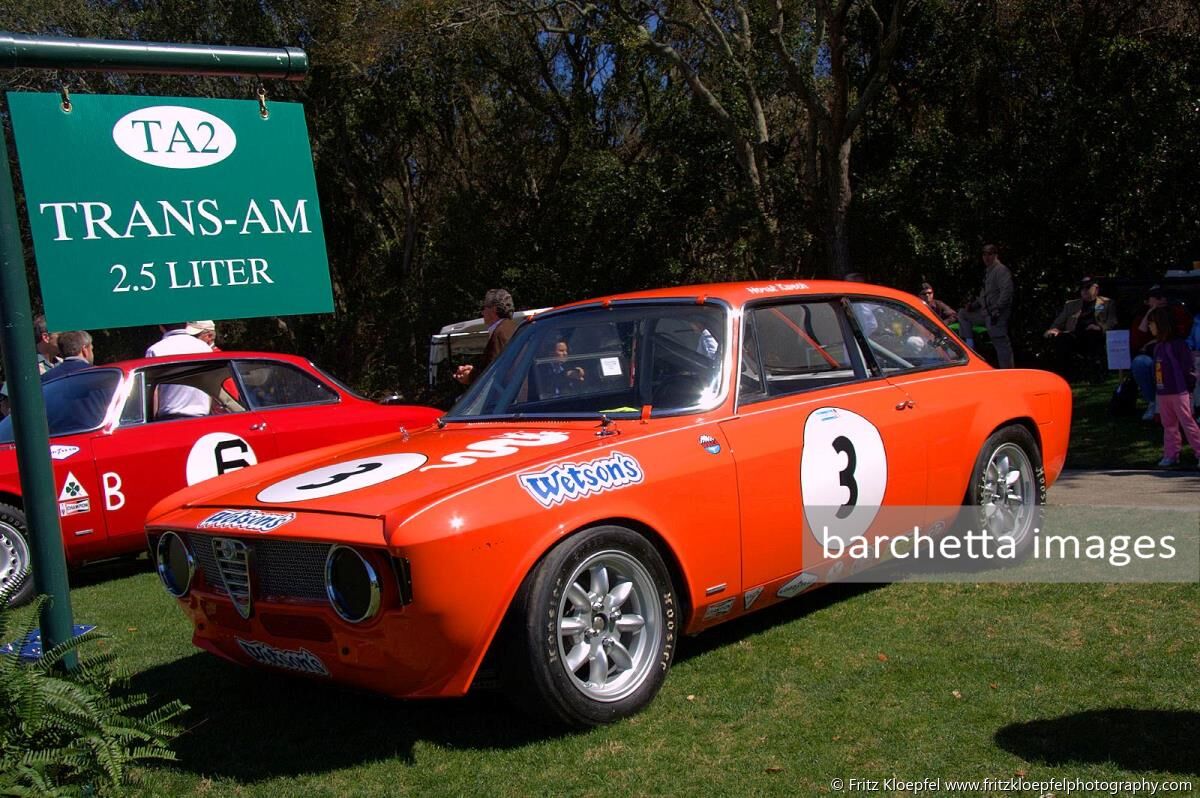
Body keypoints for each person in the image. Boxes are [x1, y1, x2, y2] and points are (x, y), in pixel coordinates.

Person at [1147, 306, 1200, 467]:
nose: (1150, 327)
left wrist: (1189, 387)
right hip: (1163, 392)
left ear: (1161, 324)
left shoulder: (1178, 345)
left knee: (1187, 422)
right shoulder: (1158, 347)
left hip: (1179, 392)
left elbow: (1188, 369)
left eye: (1152, 323)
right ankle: (1171, 454)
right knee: (1168, 425)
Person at [1129, 286, 1191, 420]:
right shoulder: (1142, 317)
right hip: (1151, 355)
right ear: (1147, 301)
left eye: (1163, 296)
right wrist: (1149, 313)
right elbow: (1137, 342)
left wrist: (1155, 342)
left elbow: (1179, 335)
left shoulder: (1176, 312)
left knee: (1162, 366)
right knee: (1140, 362)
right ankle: (1153, 402)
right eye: (1156, 297)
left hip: (1170, 355)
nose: (1161, 299)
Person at [1043, 276, 1117, 380]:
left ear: (1096, 289)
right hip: (1075, 334)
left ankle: (1095, 374)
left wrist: (1100, 327)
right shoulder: (1071, 305)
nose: (1084, 291)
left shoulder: (1107, 303)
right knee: (1062, 339)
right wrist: (1054, 329)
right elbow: (1058, 322)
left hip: (1094, 334)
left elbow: (1112, 322)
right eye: (1082, 288)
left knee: (1093, 336)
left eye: (1087, 288)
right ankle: (1063, 376)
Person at [956, 244, 1014, 368]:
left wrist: (997, 307)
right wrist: (973, 305)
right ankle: (970, 346)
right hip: (985, 312)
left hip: (996, 313)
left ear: (996, 255)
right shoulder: (989, 272)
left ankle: (1008, 373)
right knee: (963, 314)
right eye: (984, 254)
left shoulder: (1001, 270)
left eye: (990, 254)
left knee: (1000, 342)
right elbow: (985, 295)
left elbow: (1007, 292)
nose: (987, 257)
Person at [146, 323, 211, 418]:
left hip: (169, 417)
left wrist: (152, 418)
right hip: (202, 416)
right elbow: (210, 382)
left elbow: (153, 390)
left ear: (161, 326)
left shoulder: (155, 350)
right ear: (187, 324)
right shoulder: (205, 348)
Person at [454, 289, 518, 386]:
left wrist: (470, 376)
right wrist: (473, 371)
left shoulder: (500, 334)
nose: (482, 312)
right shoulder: (514, 328)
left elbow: (494, 373)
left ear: (494, 309)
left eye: (484, 308)